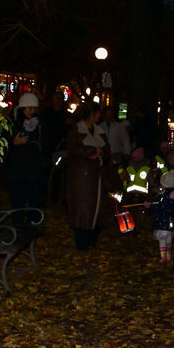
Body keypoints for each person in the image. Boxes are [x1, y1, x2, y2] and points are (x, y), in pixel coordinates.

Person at [66, 104, 113, 256]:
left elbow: (107, 150)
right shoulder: (76, 130)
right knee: (83, 209)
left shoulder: (99, 131)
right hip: (82, 176)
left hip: (98, 176)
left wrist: (101, 153)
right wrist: (90, 152)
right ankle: (82, 243)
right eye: (98, 113)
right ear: (91, 114)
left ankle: (92, 240)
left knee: (98, 208)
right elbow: (73, 149)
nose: (100, 116)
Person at [6, 92, 48, 224]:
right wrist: (14, 143)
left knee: (35, 203)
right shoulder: (12, 122)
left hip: (35, 170)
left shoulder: (40, 123)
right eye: (29, 108)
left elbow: (46, 143)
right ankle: (17, 229)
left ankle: (33, 231)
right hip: (18, 170)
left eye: (34, 108)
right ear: (22, 107)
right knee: (18, 203)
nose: (32, 111)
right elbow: (3, 144)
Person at [150, 171, 174, 264]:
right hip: (169, 220)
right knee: (168, 239)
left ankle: (163, 257)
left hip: (163, 220)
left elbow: (159, 206)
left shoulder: (164, 195)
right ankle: (168, 256)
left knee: (163, 239)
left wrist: (150, 205)